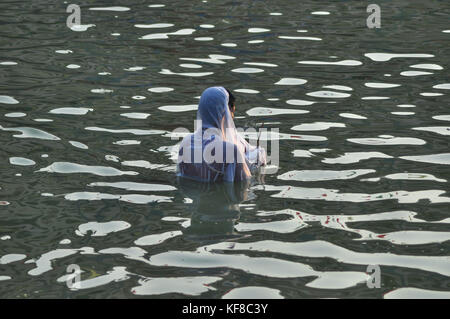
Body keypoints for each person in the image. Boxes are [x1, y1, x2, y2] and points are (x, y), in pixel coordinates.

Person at [177, 86, 266, 183]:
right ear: (225, 113)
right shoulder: (231, 151)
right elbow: (245, 185)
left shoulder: (186, 143)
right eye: (232, 113)